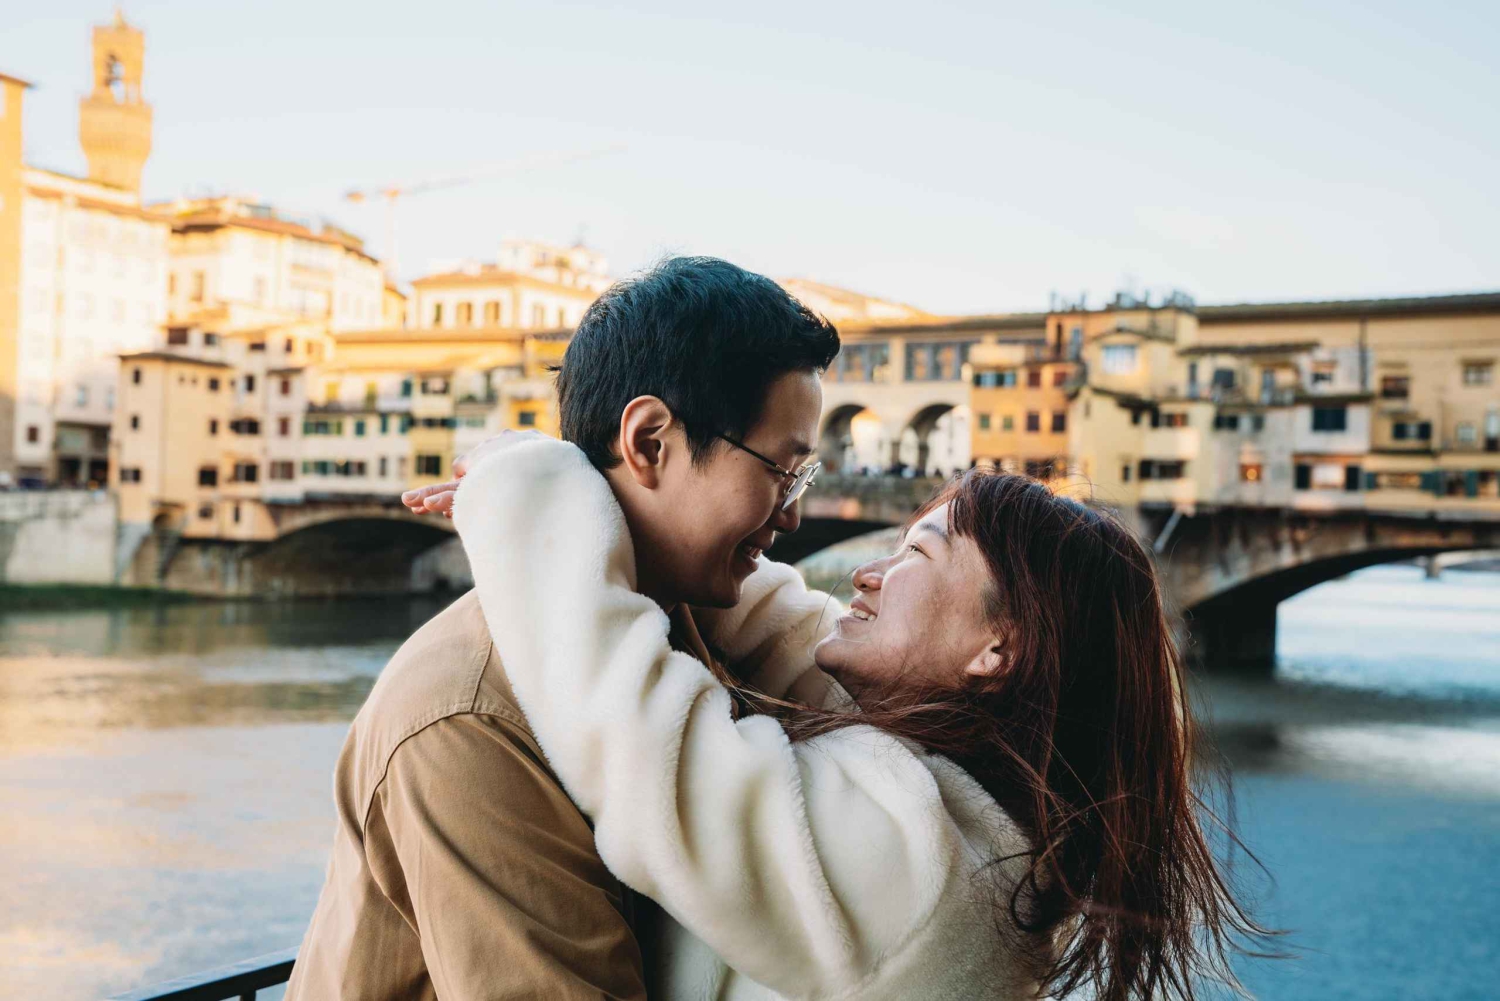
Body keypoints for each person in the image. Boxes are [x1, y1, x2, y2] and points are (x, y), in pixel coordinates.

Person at [427, 430, 1273, 1000]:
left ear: (996, 648)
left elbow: (630, 730)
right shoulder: (981, 817)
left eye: (916, 554)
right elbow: (793, 634)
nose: (867, 572)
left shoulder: (916, 865)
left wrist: (533, 490)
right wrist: (686, 537)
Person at [286, 257, 841, 999]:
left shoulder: (684, 628)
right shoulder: (469, 717)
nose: (794, 514)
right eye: (782, 470)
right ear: (649, 443)